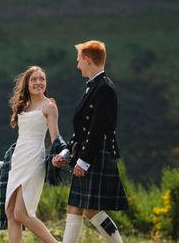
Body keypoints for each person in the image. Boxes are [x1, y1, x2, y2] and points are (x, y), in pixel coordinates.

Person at [52, 41, 128, 243]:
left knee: (90, 210)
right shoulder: (95, 86)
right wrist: (66, 154)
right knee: (75, 207)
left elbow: (97, 130)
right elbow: (82, 131)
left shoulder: (104, 88)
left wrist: (83, 161)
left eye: (78, 60)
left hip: (95, 153)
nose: (77, 65)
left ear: (87, 59)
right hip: (87, 151)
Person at [4, 66, 63, 243]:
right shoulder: (24, 106)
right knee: (11, 212)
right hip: (19, 158)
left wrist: (60, 154)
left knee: (22, 213)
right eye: (34, 79)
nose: (38, 83)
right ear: (27, 84)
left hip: (34, 159)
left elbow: (55, 137)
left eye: (42, 79)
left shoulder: (49, 106)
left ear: (46, 83)